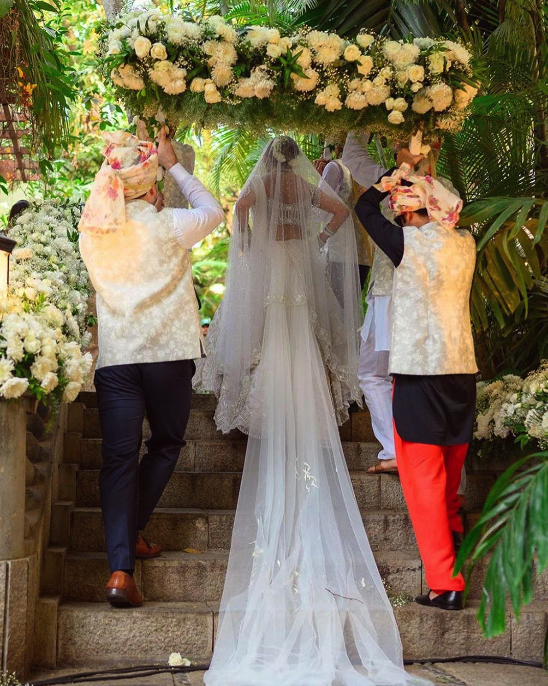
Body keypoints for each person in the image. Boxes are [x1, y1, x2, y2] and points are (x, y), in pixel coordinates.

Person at [195, 137, 429, 686]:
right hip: (298, 262)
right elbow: (342, 210)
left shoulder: (258, 186)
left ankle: (272, 408)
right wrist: (315, 238)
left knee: (275, 335)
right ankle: (303, 405)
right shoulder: (303, 184)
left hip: (274, 264)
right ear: (295, 159)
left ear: (266, 159)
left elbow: (239, 217)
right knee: (301, 336)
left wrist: (251, 242)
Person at [78, 126, 224, 608]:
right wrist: (175, 163)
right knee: (166, 443)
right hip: (167, 357)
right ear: (153, 184)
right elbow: (215, 211)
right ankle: (131, 533)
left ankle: (121, 569)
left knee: (118, 460)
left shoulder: (93, 233)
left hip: (117, 360)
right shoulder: (172, 224)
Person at [354, 155, 478, 612]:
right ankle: (455, 533)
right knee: (449, 468)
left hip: (420, 375)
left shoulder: (405, 243)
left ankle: (445, 581)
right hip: (462, 372)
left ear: (407, 210)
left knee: (423, 480)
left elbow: (364, 209)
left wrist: (391, 175)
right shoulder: (466, 243)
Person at [342, 132, 398, 473]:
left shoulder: (393, 181)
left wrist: (366, 116)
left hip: (390, 290)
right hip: (408, 294)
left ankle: (396, 449)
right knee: (381, 374)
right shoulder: (444, 190)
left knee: (376, 374)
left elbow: (352, 154)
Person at [314, 144, 372, 291]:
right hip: (364, 252)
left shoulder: (335, 167)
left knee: (333, 310)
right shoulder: (369, 168)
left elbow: (318, 212)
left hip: (338, 251)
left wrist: (318, 178)